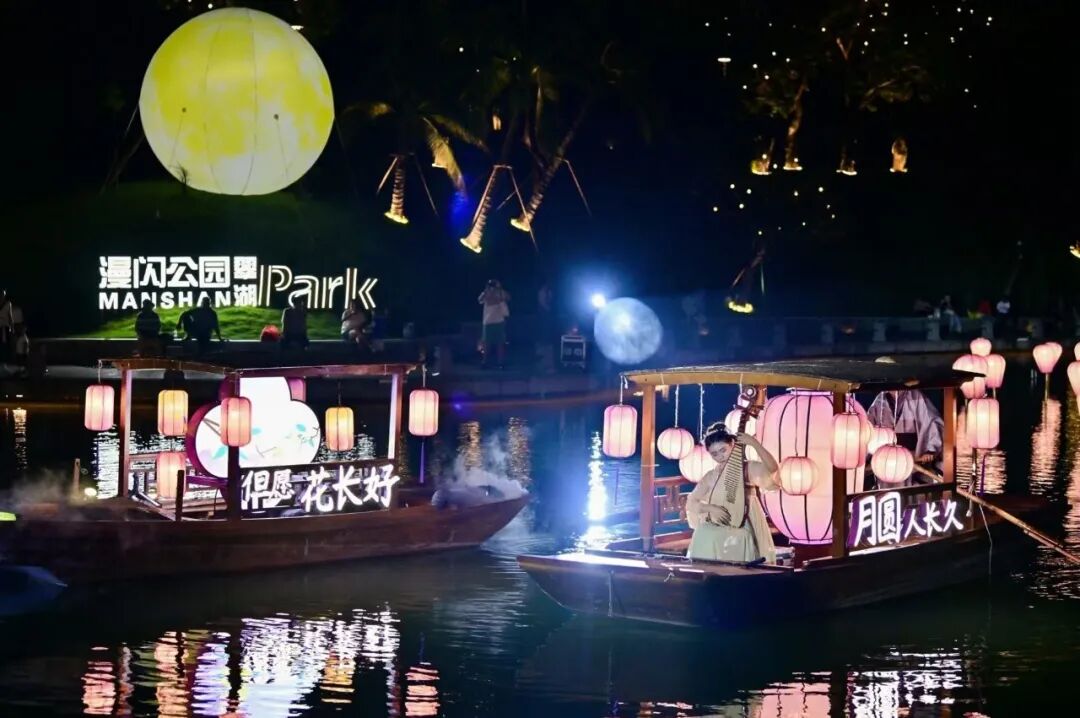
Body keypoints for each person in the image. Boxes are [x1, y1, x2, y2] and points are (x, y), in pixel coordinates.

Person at [686, 422, 780, 564]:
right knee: (702, 532)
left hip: (744, 523)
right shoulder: (711, 476)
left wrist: (754, 444)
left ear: (732, 444)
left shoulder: (747, 469)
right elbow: (691, 502)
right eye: (714, 454)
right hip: (720, 525)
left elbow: (773, 469)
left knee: (713, 536)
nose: (720, 456)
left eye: (723, 450)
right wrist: (710, 508)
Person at [866, 387, 944, 480]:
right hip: (887, 461)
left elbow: (932, 421)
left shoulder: (916, 396)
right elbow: (867, 429)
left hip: (912, 459)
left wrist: (930, 450)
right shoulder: (880, 399)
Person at [478, 280, 510, 368]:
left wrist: (500, 294)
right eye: (491, 286)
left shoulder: (501, 293)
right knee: (486, 343)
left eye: (494, 286)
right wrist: (486, 293)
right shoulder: (485, 294)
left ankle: (500, 363)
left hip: (499, 321)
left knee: (500, 343)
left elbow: (508, 297)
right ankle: (484, 362)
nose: (492, 289)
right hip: (488, 322)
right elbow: (480, 300)